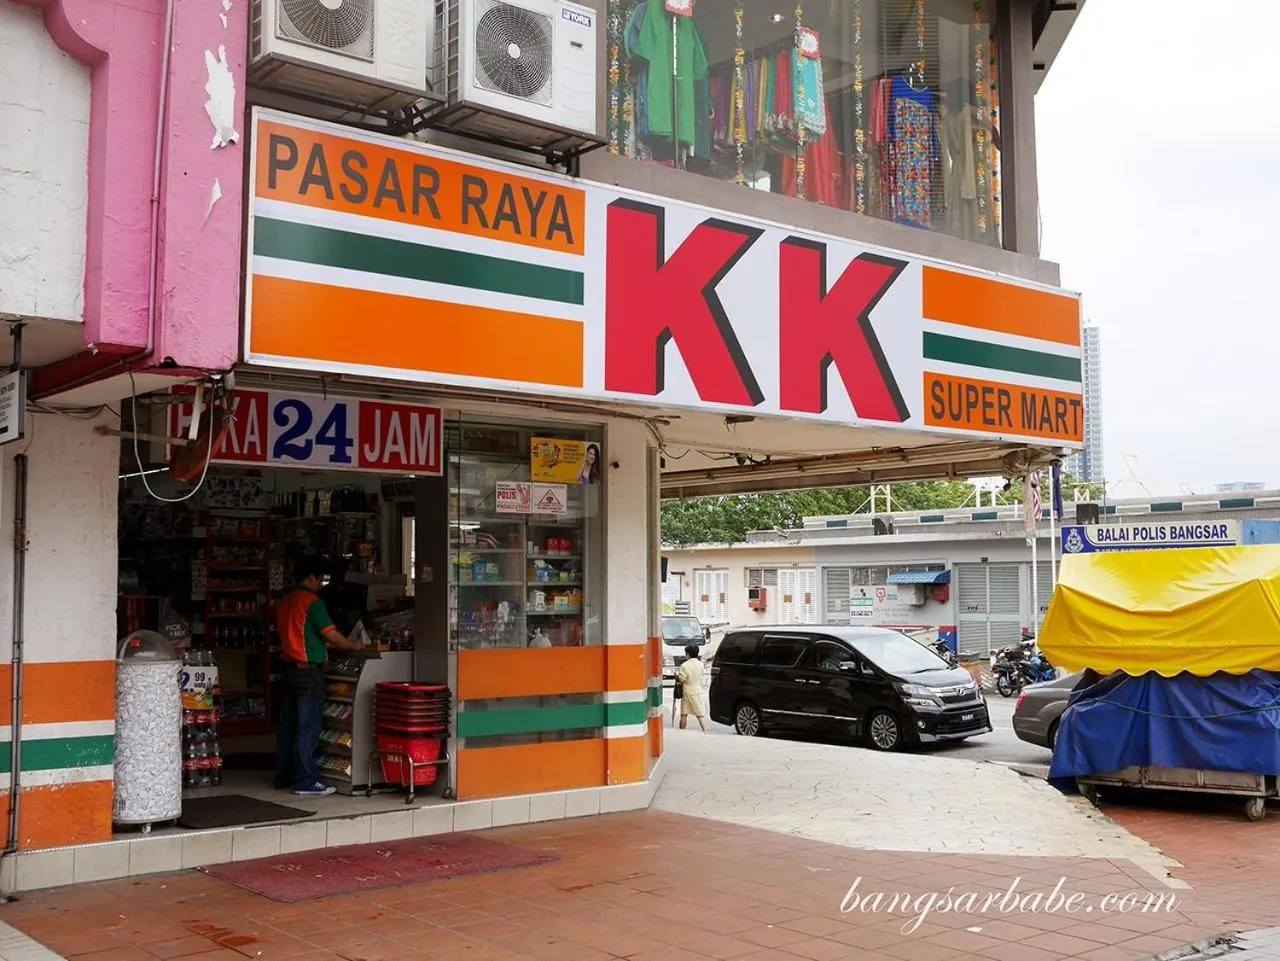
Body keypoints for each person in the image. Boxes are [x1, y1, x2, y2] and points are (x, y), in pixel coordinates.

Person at [275, 556, 363, 796]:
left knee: (288, 726)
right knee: (307, 728)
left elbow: (304, 634)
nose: (321, 584)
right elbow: (332, 635)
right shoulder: (312, 602)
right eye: (320, 579)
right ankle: (305, 781)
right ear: (311, 578)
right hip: (308, 672)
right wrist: (352, 645)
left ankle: (283, 775)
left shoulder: (285, 601)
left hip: (289, 670)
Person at [673, 645, 707, 732]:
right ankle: (705, 730)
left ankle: (681, 731)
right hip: (698, 690)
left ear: (688, 654)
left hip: (687, 692)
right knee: (699, 714)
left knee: (684, 713)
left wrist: (677, 675)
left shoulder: (684, 666)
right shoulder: (701, 664)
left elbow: (683, 679)